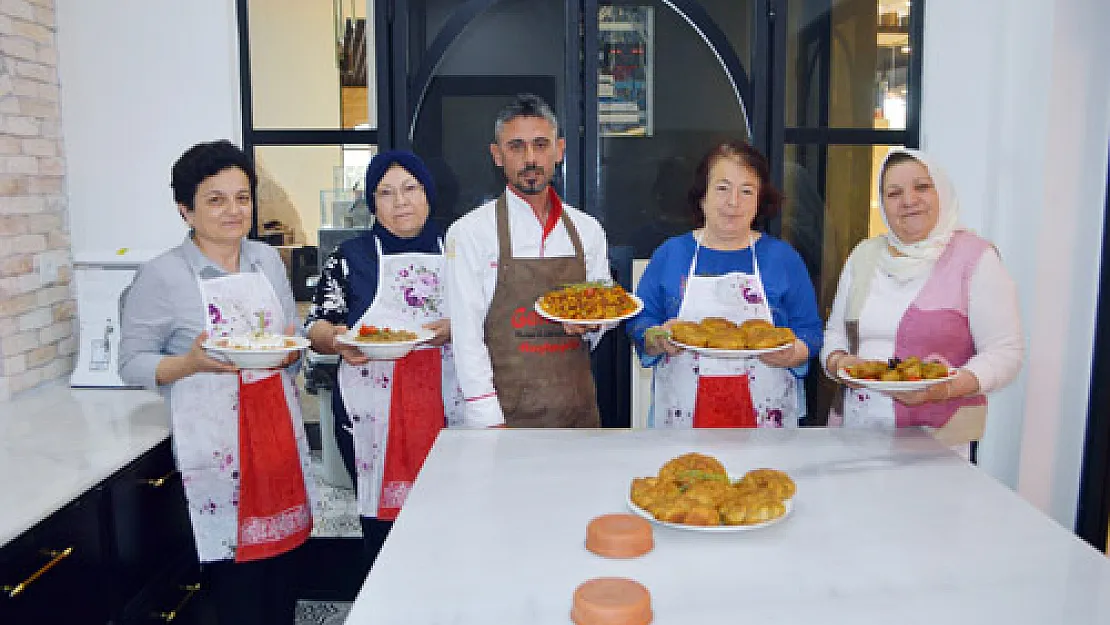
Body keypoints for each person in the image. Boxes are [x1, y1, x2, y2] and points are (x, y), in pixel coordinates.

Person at [119, 140, 313, 625]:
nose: (233, 210)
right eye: (216, 199)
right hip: (218, 449)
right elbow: (130, 363)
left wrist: (292, 350)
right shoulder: (162, 276)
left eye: (242, 197)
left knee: (282, 579)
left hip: (275, 438)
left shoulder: (267, 261)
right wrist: (187, 364)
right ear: (185, 210)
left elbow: (287, 338)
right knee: (237, 588)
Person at [305, 150, 463, 561]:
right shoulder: (350, 257)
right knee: (384, 535)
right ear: (372, 203)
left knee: (450, 521)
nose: (401, 202)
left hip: (447, 401)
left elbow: (488, 316)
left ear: (428, 194)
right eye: (386, 193)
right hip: (371, 409)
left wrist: (456, 326)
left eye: (410, 188)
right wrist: (338, 339)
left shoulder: (461, 251)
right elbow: (316, 324)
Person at [821, 148, 1024, 447]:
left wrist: (942, 389)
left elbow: (1005, 352)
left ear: (941, 190)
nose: (908, 201)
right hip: (856, 432)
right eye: (894, 193)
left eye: (921, 187)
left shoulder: (975, 258)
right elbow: (835, 334)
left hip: (939, 441)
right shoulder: (864, 255)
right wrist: (839, 364)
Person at [445, 93, 614, 428]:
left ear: (559, 150)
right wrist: (488, 419)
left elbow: (605, 308)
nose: (530, 158)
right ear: (497, 155)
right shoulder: (470, 233)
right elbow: (466, 336)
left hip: (577, 410)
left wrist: (594, 324)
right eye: (516, 147)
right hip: (504, 415)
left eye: (541, 145)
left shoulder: (587, 230)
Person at [627, 140, 822, 428]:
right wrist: (657, 340)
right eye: (722, 188)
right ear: (702, 196)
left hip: (766, 420)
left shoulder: (782, 258)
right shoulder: (672, 254)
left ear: (759, 201)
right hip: (682, 419)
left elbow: (811, 330)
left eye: (747, 191)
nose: (734, 202)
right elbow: (640, 322)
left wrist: (794, 353)